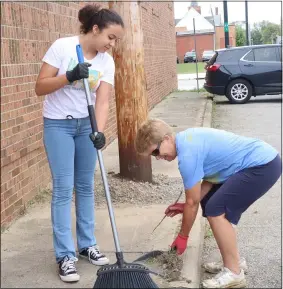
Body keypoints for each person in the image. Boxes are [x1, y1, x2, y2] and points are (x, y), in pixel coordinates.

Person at [35, 4, 124, 283]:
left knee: (86, 186)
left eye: (116, 40)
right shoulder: (63, 47)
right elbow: (40, 87)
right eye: (110, 37)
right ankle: (65, 255)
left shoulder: (106, 62)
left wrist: (98, 130)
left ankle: (87, 245)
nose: (112, 44)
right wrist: (69, 76)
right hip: (58, 125)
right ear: (95, 29)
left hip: (86, 125)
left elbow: (103, 100)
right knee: (63, 188)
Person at [135, 118, 281, 288]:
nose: (158, 158)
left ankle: (234, 273)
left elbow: (192, 202)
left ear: (166, 138)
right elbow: (209, 181)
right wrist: (185, 206)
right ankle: (233, 260)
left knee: (216, 209)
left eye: (155, 152)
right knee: (210, 201)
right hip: (261, 162)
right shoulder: (187, 140)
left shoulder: (187, 155)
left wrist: (183, 236)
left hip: (261, 166)